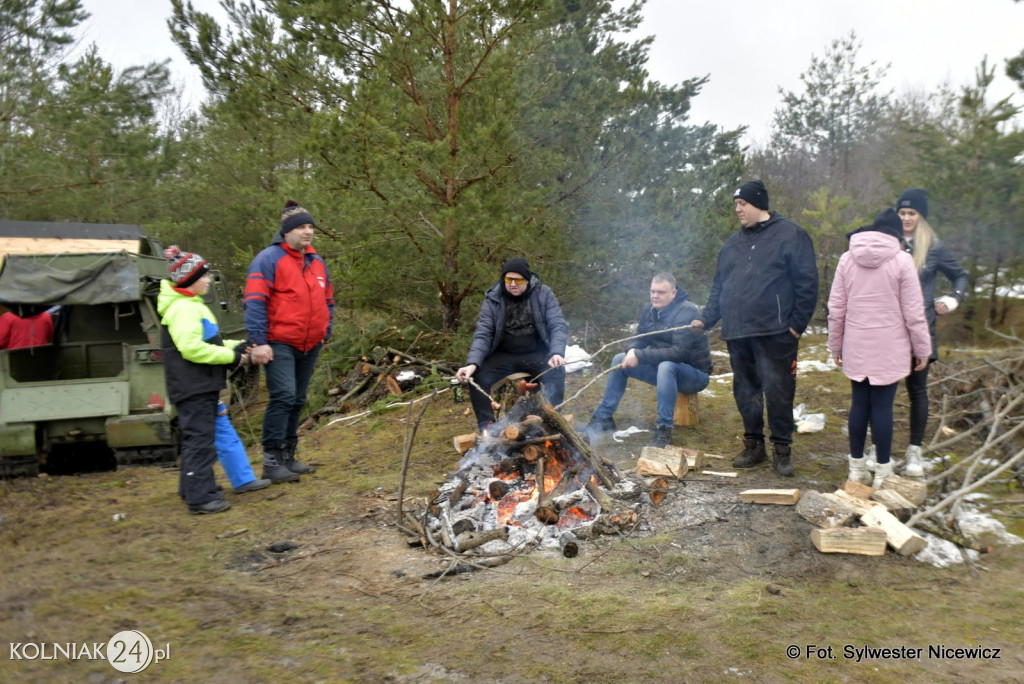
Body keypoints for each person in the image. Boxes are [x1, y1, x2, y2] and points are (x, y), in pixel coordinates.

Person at [691, 180, 819, 477]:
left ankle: (782, 449)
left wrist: (796, 327)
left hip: (776, 333)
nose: (737, 209)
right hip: (738, 333)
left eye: (742, 204)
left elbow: (807, 285)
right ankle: (753, 445)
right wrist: (707, 319)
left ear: (758, 203)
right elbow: (719, 288)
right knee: (745, 392)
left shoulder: (790, 235)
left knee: (779, 391)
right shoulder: (732, 245)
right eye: (735, 204)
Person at [827, 209, 932, 487]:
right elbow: (914, 312)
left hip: (856, 344)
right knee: (883, 407)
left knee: (859, 403)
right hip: (890, 346)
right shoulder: (902, 260)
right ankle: (884, 473)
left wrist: (835, 344)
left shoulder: (847, 259)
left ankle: (856, 470)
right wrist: (922, 348)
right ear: (896, 235)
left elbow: (836, 309)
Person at [157, 246, 251, 515]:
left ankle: (191, 488)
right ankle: (201, 498)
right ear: (190, 279)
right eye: (204, 276)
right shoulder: (184, 309)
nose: (208, 280)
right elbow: (191, 348)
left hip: (198, 384)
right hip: (193, 385)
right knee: (200, 441)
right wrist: (232, 357)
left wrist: (238, 346)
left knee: (197, 439)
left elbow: (210, 342)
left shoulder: (190, 305)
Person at [245, 200, 334, 483]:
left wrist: (325, 329)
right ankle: (271, 462)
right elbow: (255, 302)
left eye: (310, 227)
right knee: (282, 396)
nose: (308, 232)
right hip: (279, 341)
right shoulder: (268, 259)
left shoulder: (316, 262)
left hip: (310, 342)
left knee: (297, 399)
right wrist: (259, 341)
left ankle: (288, 456)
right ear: (286, 231)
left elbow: (328, 300)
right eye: (301, 227)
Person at [881, 188, 968, 477]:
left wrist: (952, 298)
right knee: (883, 392)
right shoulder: (888, 241)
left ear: (921, 217)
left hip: (922, 328)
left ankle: (914, 452)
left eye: (911, 213)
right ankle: (878, 448)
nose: (906, 218)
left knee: (917, 391)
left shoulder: (933, 246)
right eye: (902, 213)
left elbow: (960, 275)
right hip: (890, 329)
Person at [583, 273, 712, 448]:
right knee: (619, 359)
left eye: (660, 292)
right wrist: (632, 351)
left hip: (695, 375)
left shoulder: (687, 311)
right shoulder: (649, 310)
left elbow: (679, 353)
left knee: (668, 366)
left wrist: (640, 356)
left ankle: (664, 428)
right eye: (652, 291)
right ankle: (603, 417)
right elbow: (640, 338)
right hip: (664, 371)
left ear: (673, 293)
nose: (655, 296)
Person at [456, 258, 568, 432]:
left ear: (527, 279)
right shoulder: (494, 297)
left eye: (518, 280)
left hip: (535, 353)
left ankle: (552, 419)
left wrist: (556, 352)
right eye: (508, 280)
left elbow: (557, 325)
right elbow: (483, 333)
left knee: (557, 370)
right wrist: (472, 363)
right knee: (477, 376)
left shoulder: (543, 293)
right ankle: (488, 428)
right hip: (504, 355)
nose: (513, 284)